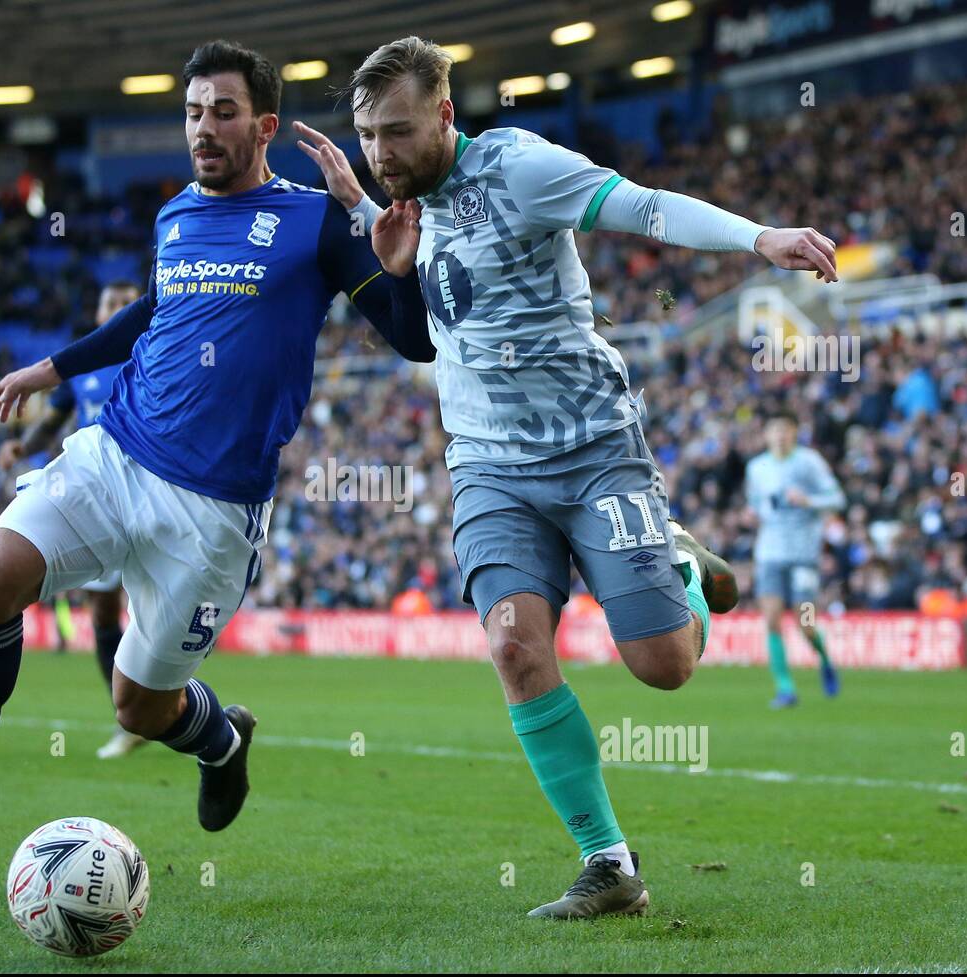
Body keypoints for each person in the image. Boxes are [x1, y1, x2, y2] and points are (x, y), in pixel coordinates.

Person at [305, 36, 838, 918]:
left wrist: (759, 238)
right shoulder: (398, 208)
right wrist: (372, 226)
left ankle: (684, 570)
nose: (380, 152)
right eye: (367, 135)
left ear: (445, 113)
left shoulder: (521, 167)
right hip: (487, 466)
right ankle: (609, 863)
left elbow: (645, 207)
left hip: (593, 446)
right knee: (514, 645)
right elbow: (419, 332)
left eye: (396, 131)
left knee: (663, 669)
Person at [0, 39, 434, 866]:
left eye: (224, 113)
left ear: (265, 124)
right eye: (193, 112)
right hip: (116, 454)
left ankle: (220, 744)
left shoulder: (317, 221)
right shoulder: (176, 214)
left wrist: (397, 264)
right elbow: (156, 309)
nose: (203, 129)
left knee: (139, 708)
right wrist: (51, 366)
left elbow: (414, 337)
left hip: (212, 509)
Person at [0, 279, 149, 758]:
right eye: (111, 301)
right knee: (104, 612)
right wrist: (25, 445)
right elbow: (54, 418)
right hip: (97, 501)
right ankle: (129, 720)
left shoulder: (154, 351)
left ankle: (168, 705)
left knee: (154, 608)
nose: (118, 308)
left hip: (150, 495)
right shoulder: (85, 364)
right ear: (99, 308)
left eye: (128, 303)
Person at [744, 409, 845, 708]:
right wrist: (752, 515)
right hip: (770, 551)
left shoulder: (809, 463)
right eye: (774, 429)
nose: (780, 435)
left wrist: (809, 500)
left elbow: (838, 498)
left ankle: (824, 658)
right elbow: (757, 505)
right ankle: (785, 687)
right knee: (772, 619)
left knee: (805, 622)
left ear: (795, 433)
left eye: (786, 430)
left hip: (803, 553)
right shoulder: (757, 468)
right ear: (766, 435)